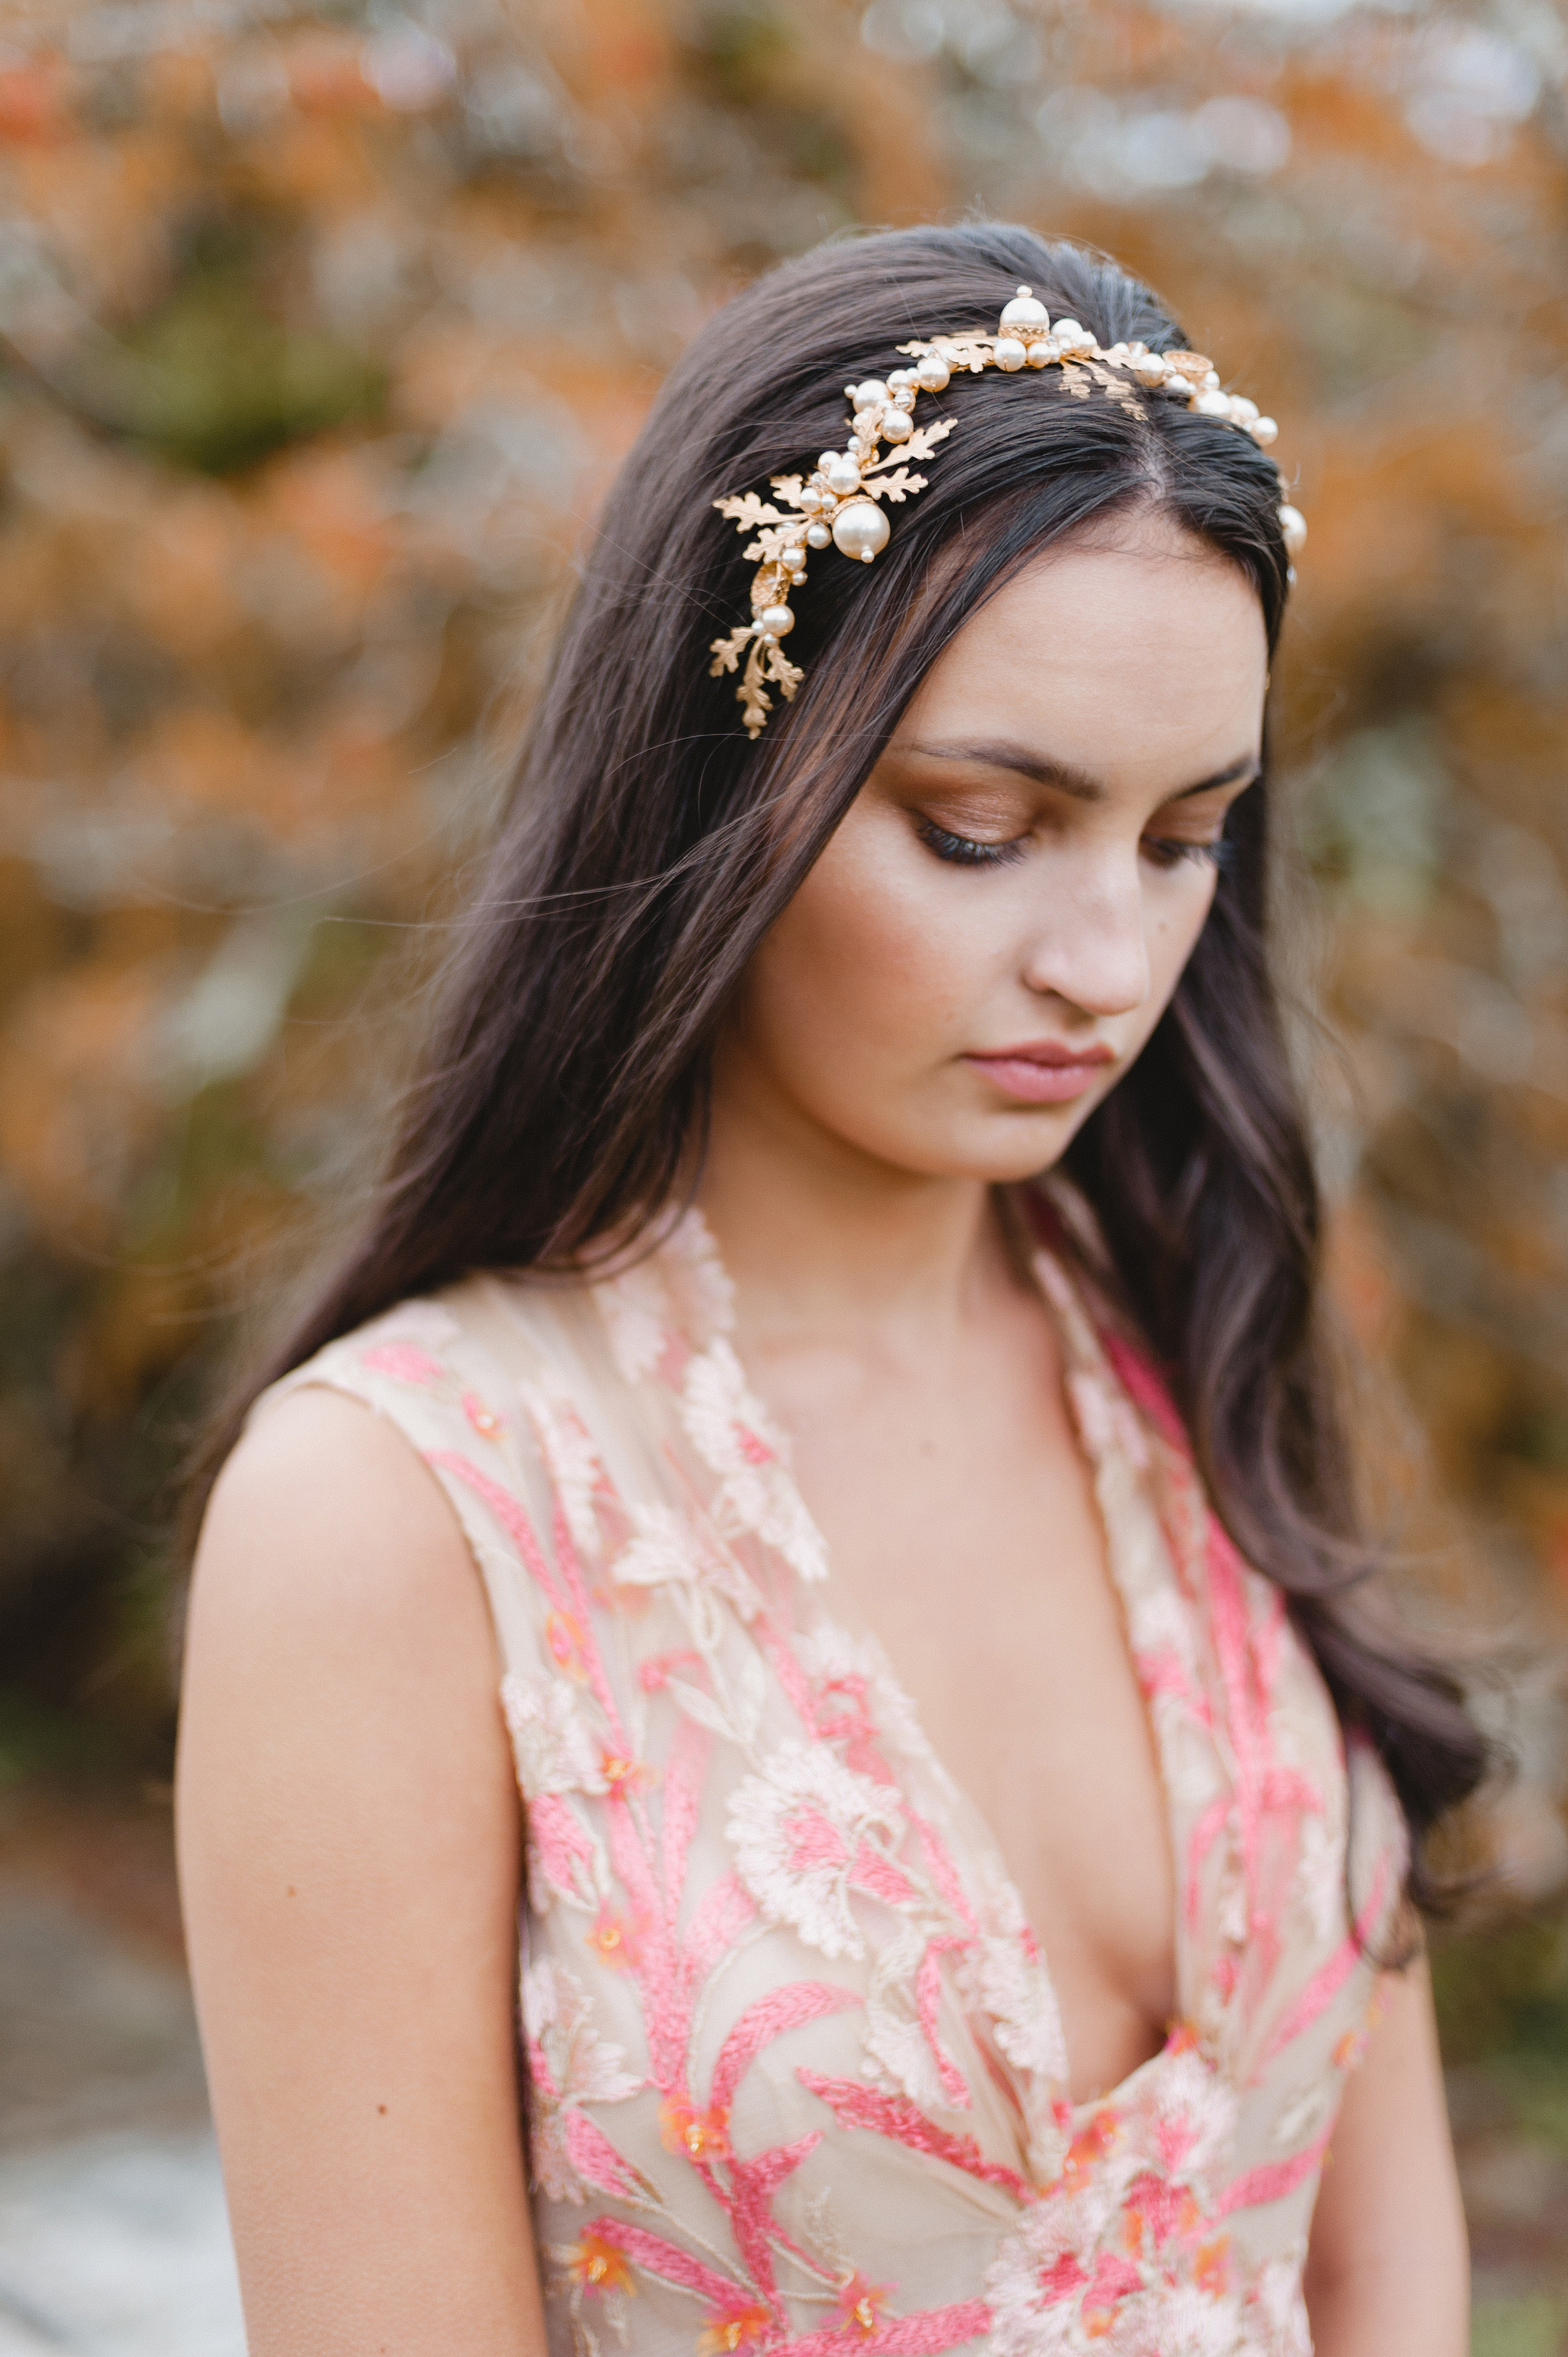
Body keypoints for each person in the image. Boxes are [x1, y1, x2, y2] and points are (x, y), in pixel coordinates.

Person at [176, 224, 1484, 2357]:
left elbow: (1377, 2263)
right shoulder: (403, 1518)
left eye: (1186, 838)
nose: (1107, 963)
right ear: (722, 785)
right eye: (984, 827)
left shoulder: (1196, 1333)